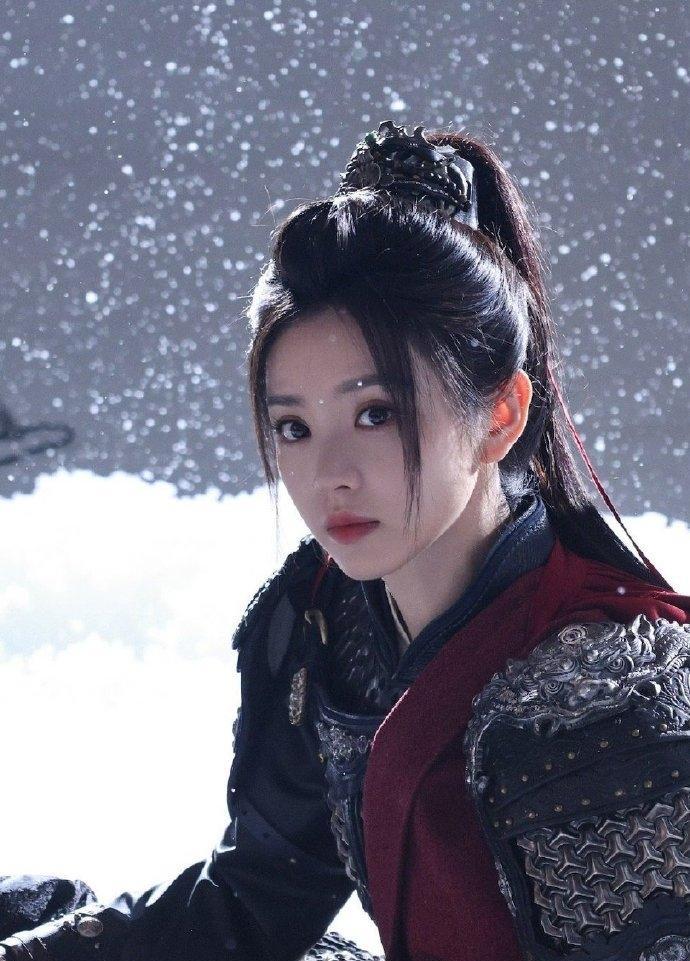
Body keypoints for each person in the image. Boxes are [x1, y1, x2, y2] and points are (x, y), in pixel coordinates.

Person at [1, 119, 689, 961]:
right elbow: (256, 900)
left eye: (376, 413)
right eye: (293, 426)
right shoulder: (332, 619)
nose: (329, 474)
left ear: (501, 413)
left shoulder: (605, 697)